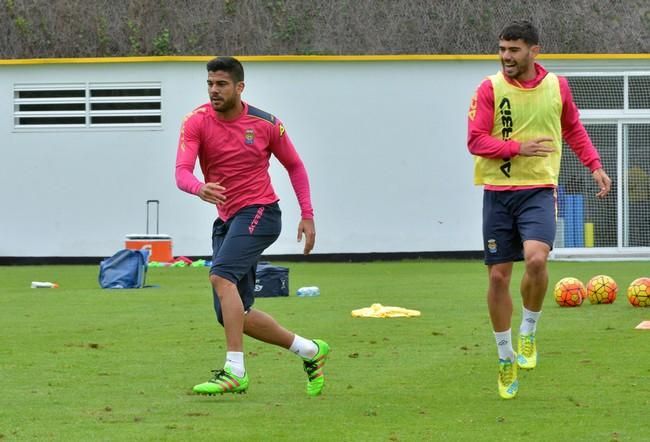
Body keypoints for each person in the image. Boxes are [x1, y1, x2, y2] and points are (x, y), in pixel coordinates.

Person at [467, 20, 611, 399]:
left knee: (535, 260)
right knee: (498, 278)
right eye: (501, 49)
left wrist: (595, 165)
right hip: (498, 193)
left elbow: (573, 128)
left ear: (534, 50)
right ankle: (504, 357)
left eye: (513, 50)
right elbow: (475, 141)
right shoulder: (488, 88)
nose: (506, 57)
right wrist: (518, 147)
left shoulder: (556, 86)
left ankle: (528, 332)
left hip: (539, 190)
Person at [175, 56, 329, 397]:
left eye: (222, 84)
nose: (214, 90)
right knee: (233, 314)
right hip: (227, 220)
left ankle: (234, 371)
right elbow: (181, 172)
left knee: (220, 276)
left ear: (240, 87)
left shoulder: (266, 124)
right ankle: (310, 351)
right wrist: (199, 187)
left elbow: (295, 166)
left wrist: (307, 213)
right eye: (210, 84)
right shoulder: (196, 122)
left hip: (261, 212)